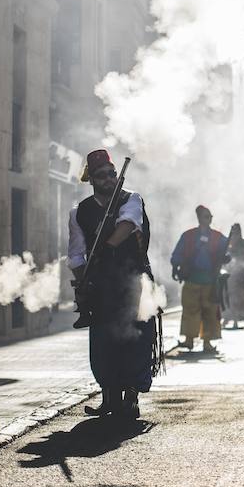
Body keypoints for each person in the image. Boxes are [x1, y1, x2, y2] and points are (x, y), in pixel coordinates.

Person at [68, 149, 157, 419]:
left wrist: (106, 248)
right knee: (103, 343)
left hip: (133, 280)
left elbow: (128, 225)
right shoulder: (79, 212)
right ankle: (109, 397)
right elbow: (75, 253)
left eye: (111, 173)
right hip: (101, 285)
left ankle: (131, 397)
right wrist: (84, 278)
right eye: (101, 175)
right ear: (91, 179)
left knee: (135, 339)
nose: (108, 178)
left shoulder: (132, 199)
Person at [170, 205, 227, 353]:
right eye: (206, 216)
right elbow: (177, 254)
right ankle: (189, 340)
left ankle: (207, 342)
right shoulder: (188, 236)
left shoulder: (217, 236)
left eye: (210, 217)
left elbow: (227, 250)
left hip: (210, 280)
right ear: (200, 218)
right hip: (192, 278)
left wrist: (226, 256)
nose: (209, 219)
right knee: (190, 310)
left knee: (209, 312)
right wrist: (176, 265)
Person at [223, 223, 244, 328]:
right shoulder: (228, 242)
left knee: (236, 297)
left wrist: (242, 266)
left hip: (239, 274)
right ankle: (227, 318)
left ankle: (235, 319)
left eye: (236, 231)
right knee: (226, 297)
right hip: (228, 273)